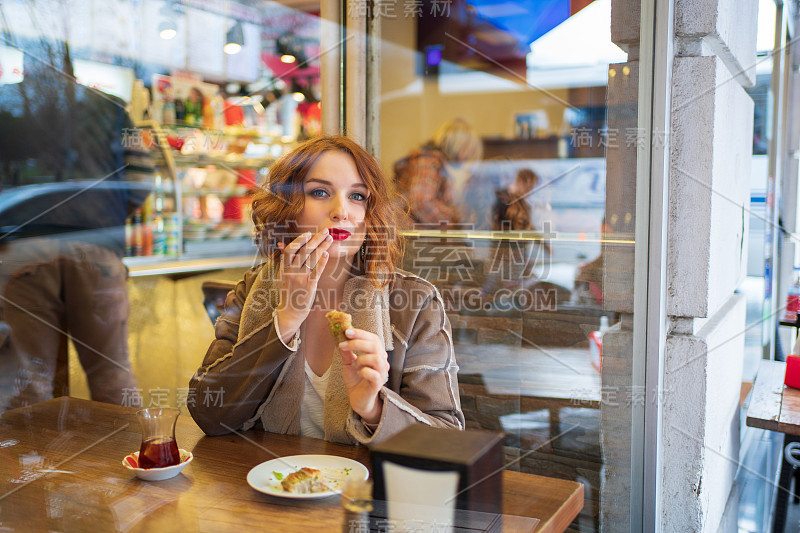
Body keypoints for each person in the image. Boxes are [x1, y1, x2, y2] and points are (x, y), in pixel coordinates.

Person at [188, 135, 464, 444]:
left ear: (371, 214)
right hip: (270, 482)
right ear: (287, 209)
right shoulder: (252, 290)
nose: (341, 211)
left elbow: (447, 438)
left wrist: (373, 410)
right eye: (320, 192)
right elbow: (208, 414)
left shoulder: (415, 303)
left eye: (357, 196)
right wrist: (285, 322)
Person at [0, 53, 152, 412]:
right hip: (97, 249)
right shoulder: (110, 108)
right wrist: (106, 217)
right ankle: (133, 461)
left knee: (26, 382)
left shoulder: (7, 103)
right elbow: (141, 181)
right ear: (70, 65)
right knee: (112, 375)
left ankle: (28, 466)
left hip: (22, 252)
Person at [393, 118, 482, 226]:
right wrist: (455, 221)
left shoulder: (435, 163)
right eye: (467, 149)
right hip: (413, 236)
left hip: (416, 235)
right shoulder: (428, 162)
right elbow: (421, 203)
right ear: (456, 145)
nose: (468, 155)